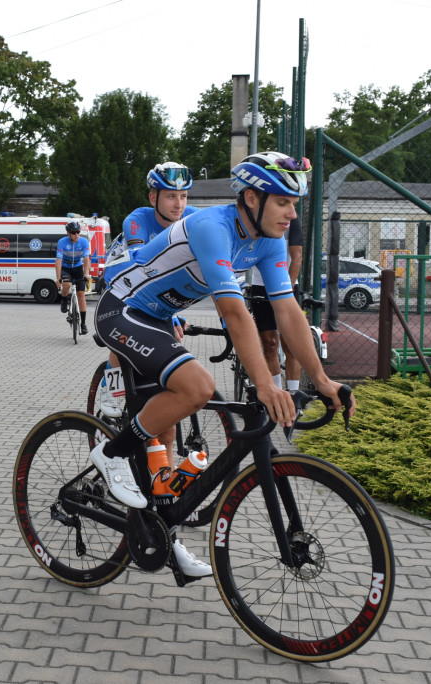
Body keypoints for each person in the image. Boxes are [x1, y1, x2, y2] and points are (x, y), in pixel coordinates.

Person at [89, 152, 353, 579]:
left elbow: (286, 311)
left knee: (180, 412)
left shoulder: (269, 241)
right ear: (251, 197)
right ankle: (111, 452)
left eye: (295, 203)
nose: (292, 213)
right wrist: (267, 385)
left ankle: (164, 533)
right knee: (197, 388)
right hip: (123, 310)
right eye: (283, 201)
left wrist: (322, 380)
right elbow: (233, 312)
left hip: (156, 317)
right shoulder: (212, 227)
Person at [98, 162, 198, 419]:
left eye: (183, 196)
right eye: (170, 196)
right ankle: (109, 389)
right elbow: (139, 267)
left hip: (158, 287)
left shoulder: (193, 217)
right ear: (153, 197)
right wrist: (170, 314)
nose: (179, 204)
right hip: (122, 280)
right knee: (124, 335)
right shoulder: (137, 219)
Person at [244, 216, 305, 391]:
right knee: (269, 343)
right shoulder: (255, 219)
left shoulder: (291, 221)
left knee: (291, 345)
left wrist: (287, 289)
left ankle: (293, 395)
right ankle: (277, 393)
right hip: (260, 286)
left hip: (286, 287)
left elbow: (297, 257)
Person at [55, 221, 91, 335]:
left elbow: (86, 259)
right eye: (74, 232)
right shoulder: (62, 242)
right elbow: (59, 260)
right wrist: (58, 277)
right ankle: (64, 299)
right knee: (67, 284)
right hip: (66, 268)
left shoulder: (84, 242)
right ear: (68, 233)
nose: (76, 235)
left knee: (81, 294)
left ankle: (83, 324)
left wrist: (86, 274)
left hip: (77, 268)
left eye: (78, 232)